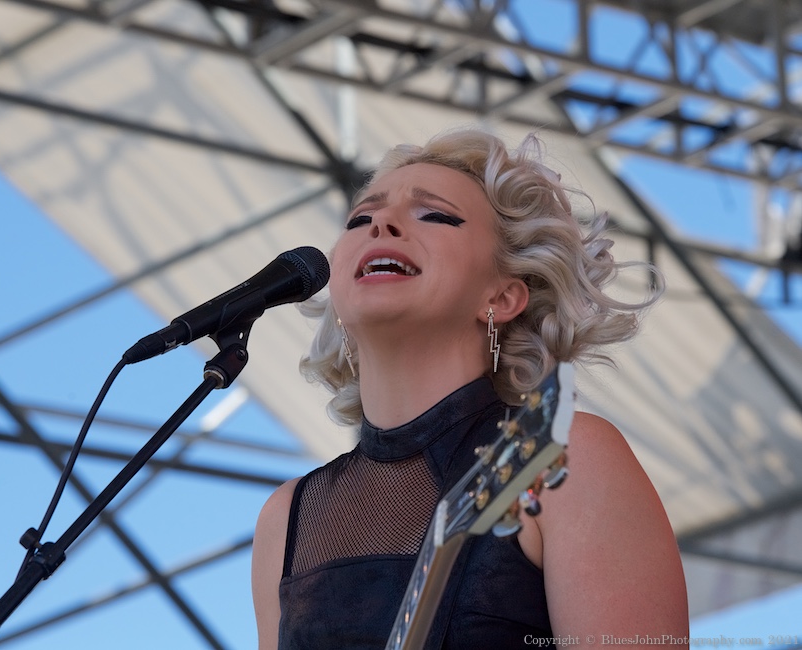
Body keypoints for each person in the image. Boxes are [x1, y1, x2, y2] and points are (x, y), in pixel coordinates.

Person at [251, 127, 689, 649]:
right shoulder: (287, 517)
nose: (380, 224)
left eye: (433, 214)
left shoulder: (564, 459)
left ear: (503, 297)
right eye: (360, 219)